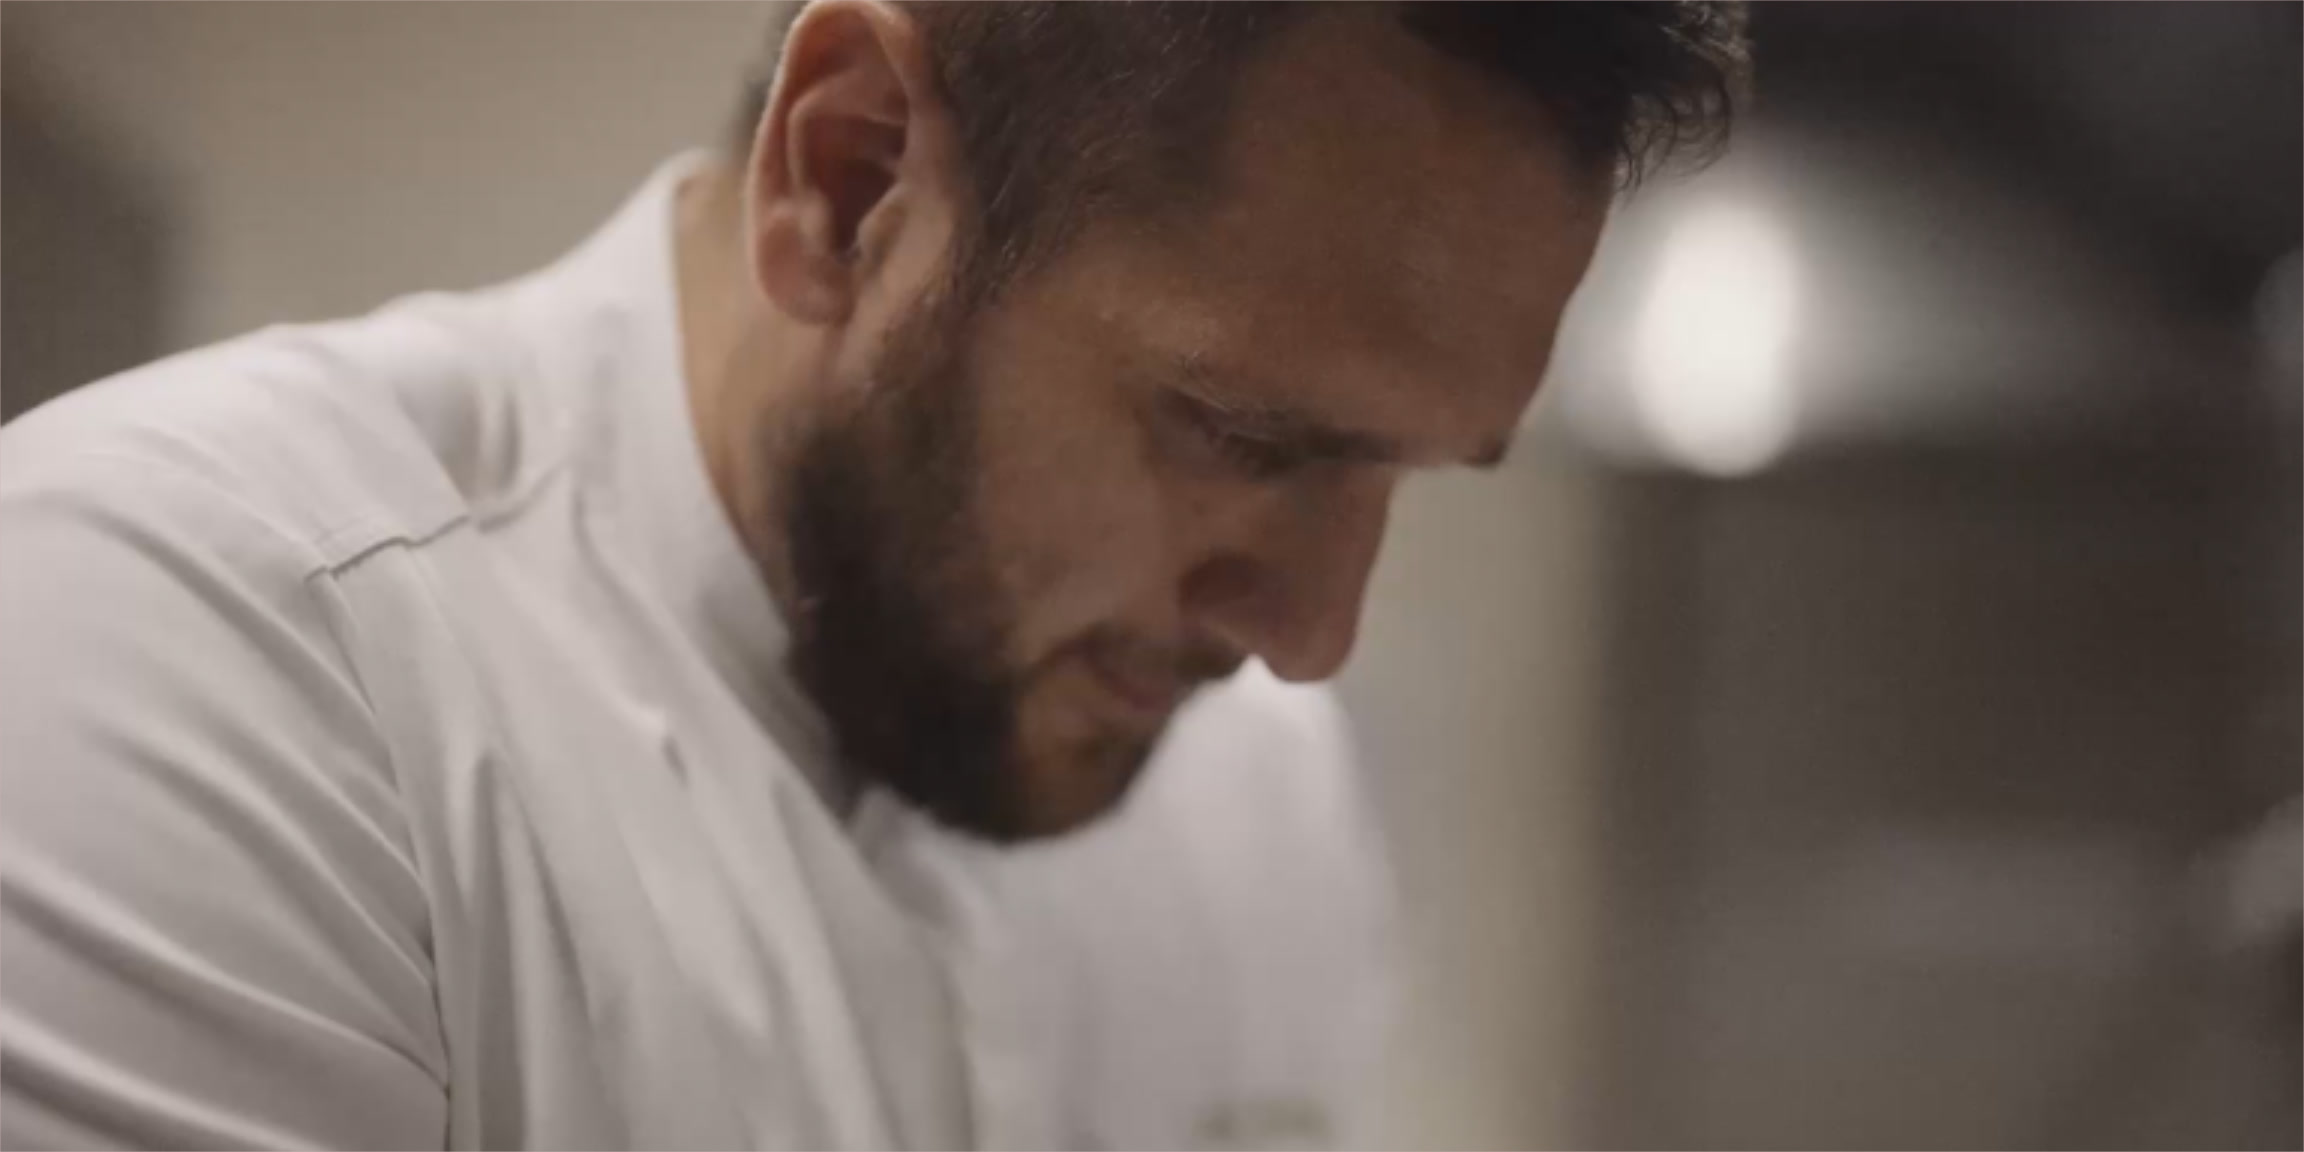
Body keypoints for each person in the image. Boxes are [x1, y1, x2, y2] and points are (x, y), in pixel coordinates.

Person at [0, 2, 1748, 1147]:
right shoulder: (188, 651)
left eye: (1405, 472)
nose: (1309, 639)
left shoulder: (1263, 802)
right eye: (1241, 435)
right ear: (851, 182)